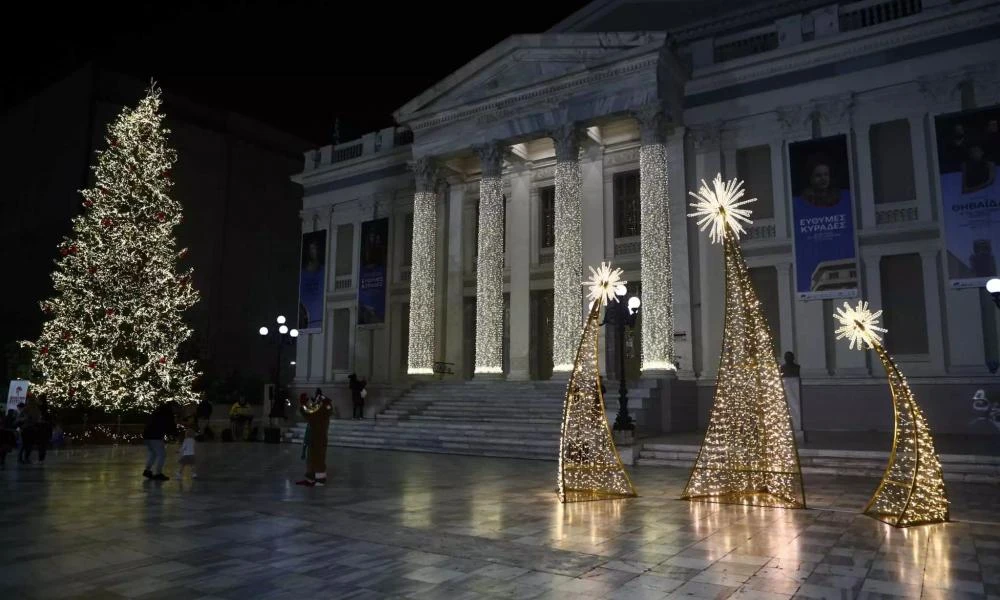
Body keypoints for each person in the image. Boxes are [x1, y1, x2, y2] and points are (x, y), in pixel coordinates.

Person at [297, 391, 333, 487]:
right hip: (314, 437)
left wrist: (303, 405)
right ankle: (310, 479)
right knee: (311, 458)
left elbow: (308, 413)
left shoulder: (323, 411)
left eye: (317, 401)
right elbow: (310, 411)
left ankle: (320, 480)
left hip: (319, 439)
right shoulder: (321, 410)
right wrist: (305, 405)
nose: (315, 403)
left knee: (318, 459)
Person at [143, 401, 179, 481]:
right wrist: (174, 435)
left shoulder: (158, 411)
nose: (176, 411)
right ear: (173, 407)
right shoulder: (168, 413)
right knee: (161, 455)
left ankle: (147, 470)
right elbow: (170, 426)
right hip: (156, 436)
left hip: (147, 435)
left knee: (152, 453)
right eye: (176, 408)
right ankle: (158, 473)